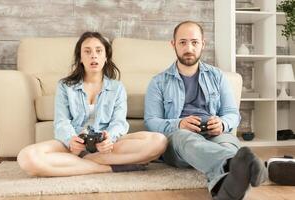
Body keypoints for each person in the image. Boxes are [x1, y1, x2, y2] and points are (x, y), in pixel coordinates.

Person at [144, 21, 267, 199]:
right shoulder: (158, 82)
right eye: (183, 42)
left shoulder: (217, 76)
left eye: (194, 42)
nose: (189, 48)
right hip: (180, 140)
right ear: (173, 44)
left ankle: (226, 188)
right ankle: (241, 164)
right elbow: (151, 121)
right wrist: (179, 123)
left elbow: (232, 113)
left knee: (228, 144)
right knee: (185, 137)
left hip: (215, 134)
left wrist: (222, 124)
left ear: (203, 44)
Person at [17, 31, 167, 177]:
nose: (93, 55)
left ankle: (82, 162)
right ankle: (106, 168)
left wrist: (110, 138)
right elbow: (61, 121)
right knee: (26, 158)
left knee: (159, 141)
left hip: (107, 147)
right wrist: (71, 140)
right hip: (75, 145)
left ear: (106, 57)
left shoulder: (117, 87)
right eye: (87, 51)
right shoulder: (65, 86)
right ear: (80, 58)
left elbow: (119, 122)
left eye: (99, 51)